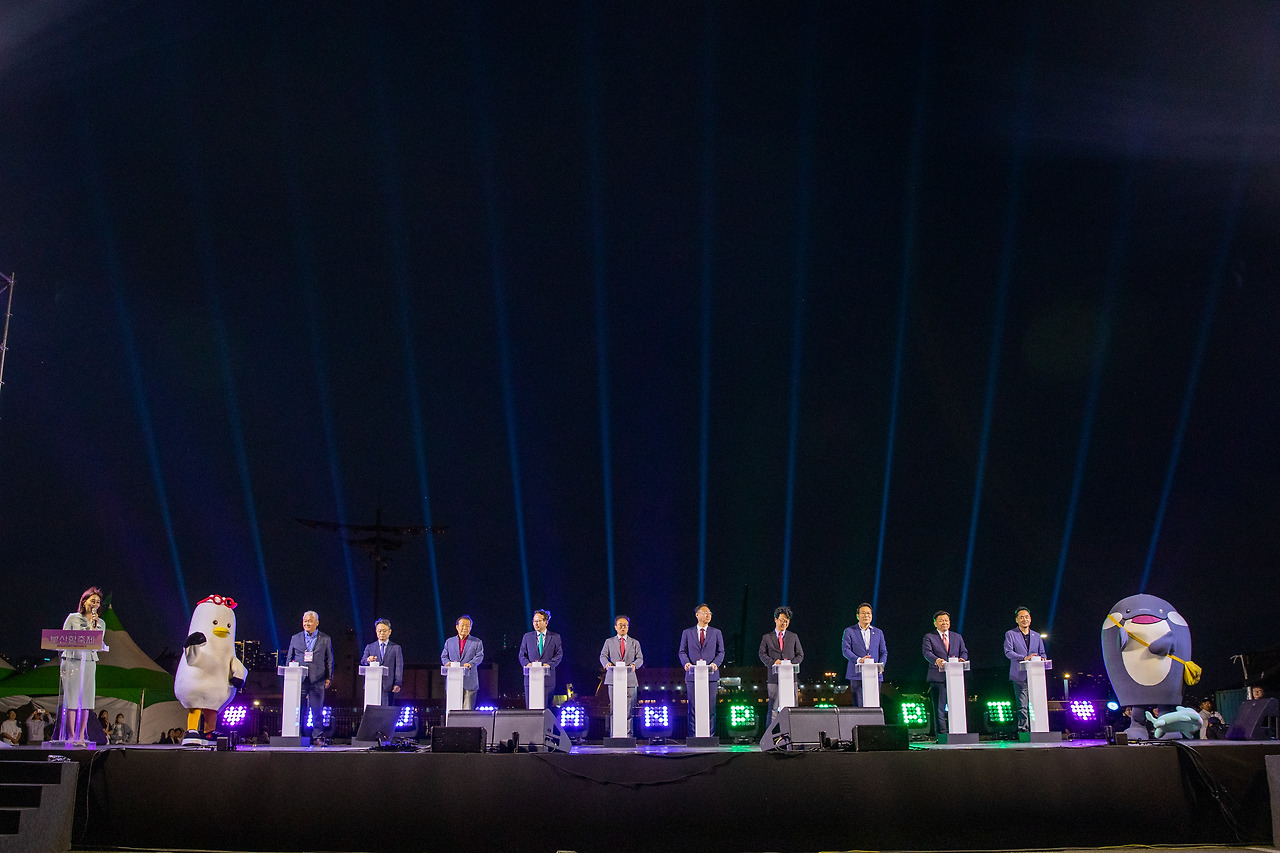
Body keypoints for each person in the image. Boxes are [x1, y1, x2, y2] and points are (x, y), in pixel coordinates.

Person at [59, 586, 104, 743]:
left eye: (98, 602)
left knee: (86, 699)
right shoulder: (73, 618)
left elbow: (98, 643)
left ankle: (81, 735)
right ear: (84, 601)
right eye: (92, 601)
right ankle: (71, 735)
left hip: (89, 661)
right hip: (72, 660)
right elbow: (63, 639)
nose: (95, 604)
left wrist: (93, 626)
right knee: (71, 698)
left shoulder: (100, 623)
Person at [679, 603, 725, 737]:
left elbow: (721, 652)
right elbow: (682, 651)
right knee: (693, 707)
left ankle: (710, 735)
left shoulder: (716, 632)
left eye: (709, 613)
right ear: (697, 615)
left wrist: (715, 663)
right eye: (705, 613)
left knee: (710, 707)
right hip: (693, 675)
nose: (708, 615)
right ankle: (693, 736)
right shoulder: (687, 632)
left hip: (711, 675)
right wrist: (686, 663)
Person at [286, 610, 334, 739]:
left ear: (316, 623)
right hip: (299, 679)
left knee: (317, 710)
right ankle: (297, 734)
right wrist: (288, 675)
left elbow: (329, 660)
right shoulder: (295, 638)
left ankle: (318, 736)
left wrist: (328, 677)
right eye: (305, 621)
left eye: (310, 621)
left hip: (318, 679)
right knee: (298, 708)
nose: (307, 623)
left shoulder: (325, 639)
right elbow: (289, 657)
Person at [921, 610, 969, 737]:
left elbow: (964, 652)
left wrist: (962, 659)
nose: (944, 623)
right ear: (935, 623)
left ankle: (958, 732)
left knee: (957, 706)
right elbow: (927, 653)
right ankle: (942, 735)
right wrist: (936, 660)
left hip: (955, 677)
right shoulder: (929, 637)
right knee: (939, 708)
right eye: (941, 620)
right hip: (938, 677)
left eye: (946, 620)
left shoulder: (957, 637)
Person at [759, 606, 804, 730]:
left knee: (792, 706)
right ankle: (771, 734)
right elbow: (762, 654)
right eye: (782, 620)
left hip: (790, 678)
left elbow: (800, 655)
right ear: (775, 619)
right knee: (773, 707)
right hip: (774, 678)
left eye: (787, 621)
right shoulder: (767, 637)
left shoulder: (793, 636)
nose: (784, 623)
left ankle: (793, 732)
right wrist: (773, 662)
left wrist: (790, 663)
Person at [1003, 607, 1048, 733]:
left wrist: (1043, 659)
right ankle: (1024, 730)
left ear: (1030, 619)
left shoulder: (1037, 636)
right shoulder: (1011, 634)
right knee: (1022, 705)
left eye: (1026, 617)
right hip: (1019, 675)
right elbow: (1008, 652)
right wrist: (1024, 658)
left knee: (1037, 703)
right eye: (1021, 617)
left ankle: (1039, 729)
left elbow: (1043, 653)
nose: (1024, 619)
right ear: (1017, 620)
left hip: (1036, 676)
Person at [599, 615, 643, 737]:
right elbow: (603, 656)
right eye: (620, 625)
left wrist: (634, 664)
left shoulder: (635, 642)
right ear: (615, 627)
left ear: (628, 627)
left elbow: (640, 658)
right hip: (613, 679)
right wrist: (606, 664)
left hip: (629, 679)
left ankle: (628, 735)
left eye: (625, 625)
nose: (623, 627)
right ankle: (615, 734)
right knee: (615, 708)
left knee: (628, 709)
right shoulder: (609, 642)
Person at [841, 603, 888, 707]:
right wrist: (858, 660)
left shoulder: (878, 632)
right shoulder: (849, 631)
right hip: (856, 673)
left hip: (874, 673)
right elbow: (846, 650)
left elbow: (883, 652)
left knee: (874, 703)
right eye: (863, 613)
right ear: (857, 616)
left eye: (868, 613)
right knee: (858, 704)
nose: (866, 615)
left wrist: (881, 665)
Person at [518, 609, 563, 709]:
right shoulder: (527, 637)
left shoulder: (555, 637)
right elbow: (522, 655)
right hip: (531, 678)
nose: (536, 623)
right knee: (531, 710)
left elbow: (559, 654)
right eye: (534, 621)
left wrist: (550, 664)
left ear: (546, 622)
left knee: (546, 709)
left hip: (547, 680)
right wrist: (527, 664)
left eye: (538, 621)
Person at [440, 615, 484, 709]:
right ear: (457, 627)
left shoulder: (477, 642)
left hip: (470, 681)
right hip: (453, 681)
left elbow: (480, 656)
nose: (465, 628)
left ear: (470, 628)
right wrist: (447, 663)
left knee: (467, 710)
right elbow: (444, 656)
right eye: (462, 625)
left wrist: (470, 664)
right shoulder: (449, 642)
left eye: (467, 626)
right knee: (453, 709)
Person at [360, 619, 404, 706]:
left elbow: (399, 666)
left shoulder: (396, 648)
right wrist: (368, 660)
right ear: (376, 631)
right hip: (372, 685)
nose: (382, 633)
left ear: (389, 632)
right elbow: (363, 661)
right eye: (379, 631)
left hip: (388, 686)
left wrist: (397, 683)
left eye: (384, 631)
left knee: (386, 710)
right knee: (372, 710)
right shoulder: (370, 647)